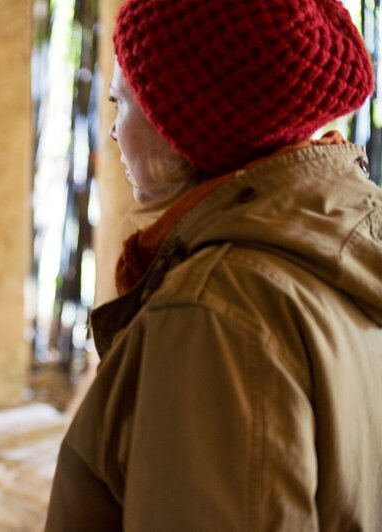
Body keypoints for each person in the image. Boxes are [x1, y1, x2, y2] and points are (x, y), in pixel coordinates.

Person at [46, 0, 382, 529]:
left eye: (121, 104)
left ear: (182, 125)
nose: (112, 132)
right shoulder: (342, 242)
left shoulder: (214, 312)